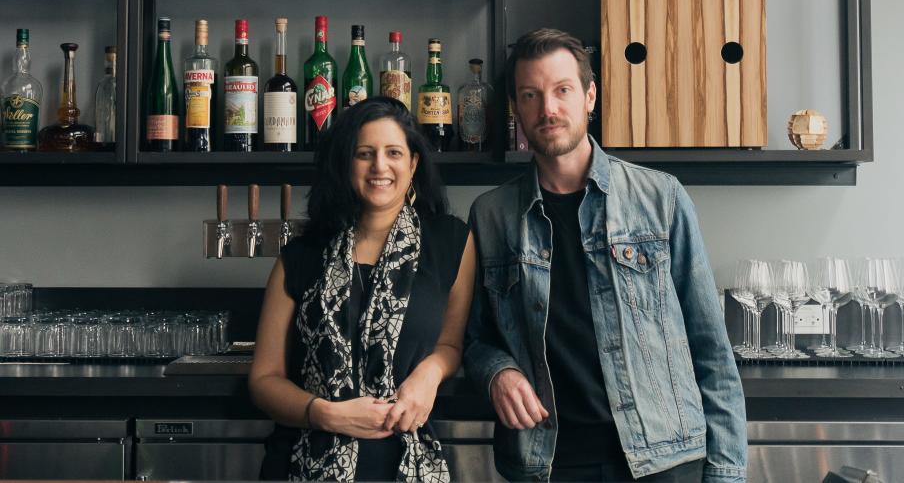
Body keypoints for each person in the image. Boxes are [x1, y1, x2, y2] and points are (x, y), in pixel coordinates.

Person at [464, 29, 747, 482]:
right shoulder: (491, 215)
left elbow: (710, 347)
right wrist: (497, 372)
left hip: (662, 459)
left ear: (589, 96)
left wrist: (726, 474)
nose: (548, 109)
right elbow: (474, 338)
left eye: (562, 91)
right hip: (547, 462)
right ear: (516, 109)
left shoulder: (660, 198)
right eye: (531, 95)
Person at [250, 96, 476, 482]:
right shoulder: (302, 255)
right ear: (346, 164)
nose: (380, 167)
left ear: (413, 163)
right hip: (305, 461)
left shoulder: (450, 242)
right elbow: (264, 379)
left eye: (393, 153)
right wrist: (323, 412)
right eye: (364, 154)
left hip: (406, 463)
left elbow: (451, 344)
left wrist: (430, 374)